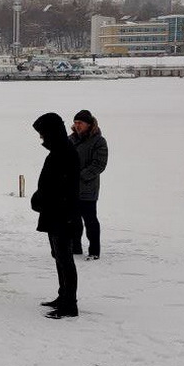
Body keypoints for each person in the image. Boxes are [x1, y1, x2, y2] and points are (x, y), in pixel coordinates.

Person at [31, 112, 80, 319]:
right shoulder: (59, 150)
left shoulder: (65, 152)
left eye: (43, 134)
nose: (41, 139)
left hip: (63, 214)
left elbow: (62, 187)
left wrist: (42, 199)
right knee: (59, 257)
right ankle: (63, 296)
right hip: (55, 213)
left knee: (65, 258)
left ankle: (70, 304)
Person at [68, 110, 108, 260]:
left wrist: (80, 176)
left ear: (89, 124)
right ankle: (75, 248)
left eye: (80, 123)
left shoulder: (99, 141)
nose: (77, 125)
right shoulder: (70, 140)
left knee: (90, 221)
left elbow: (99, 164)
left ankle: (94, 251)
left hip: (88, 189)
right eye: (75, 122)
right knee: (73, 221)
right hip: (70, 190)